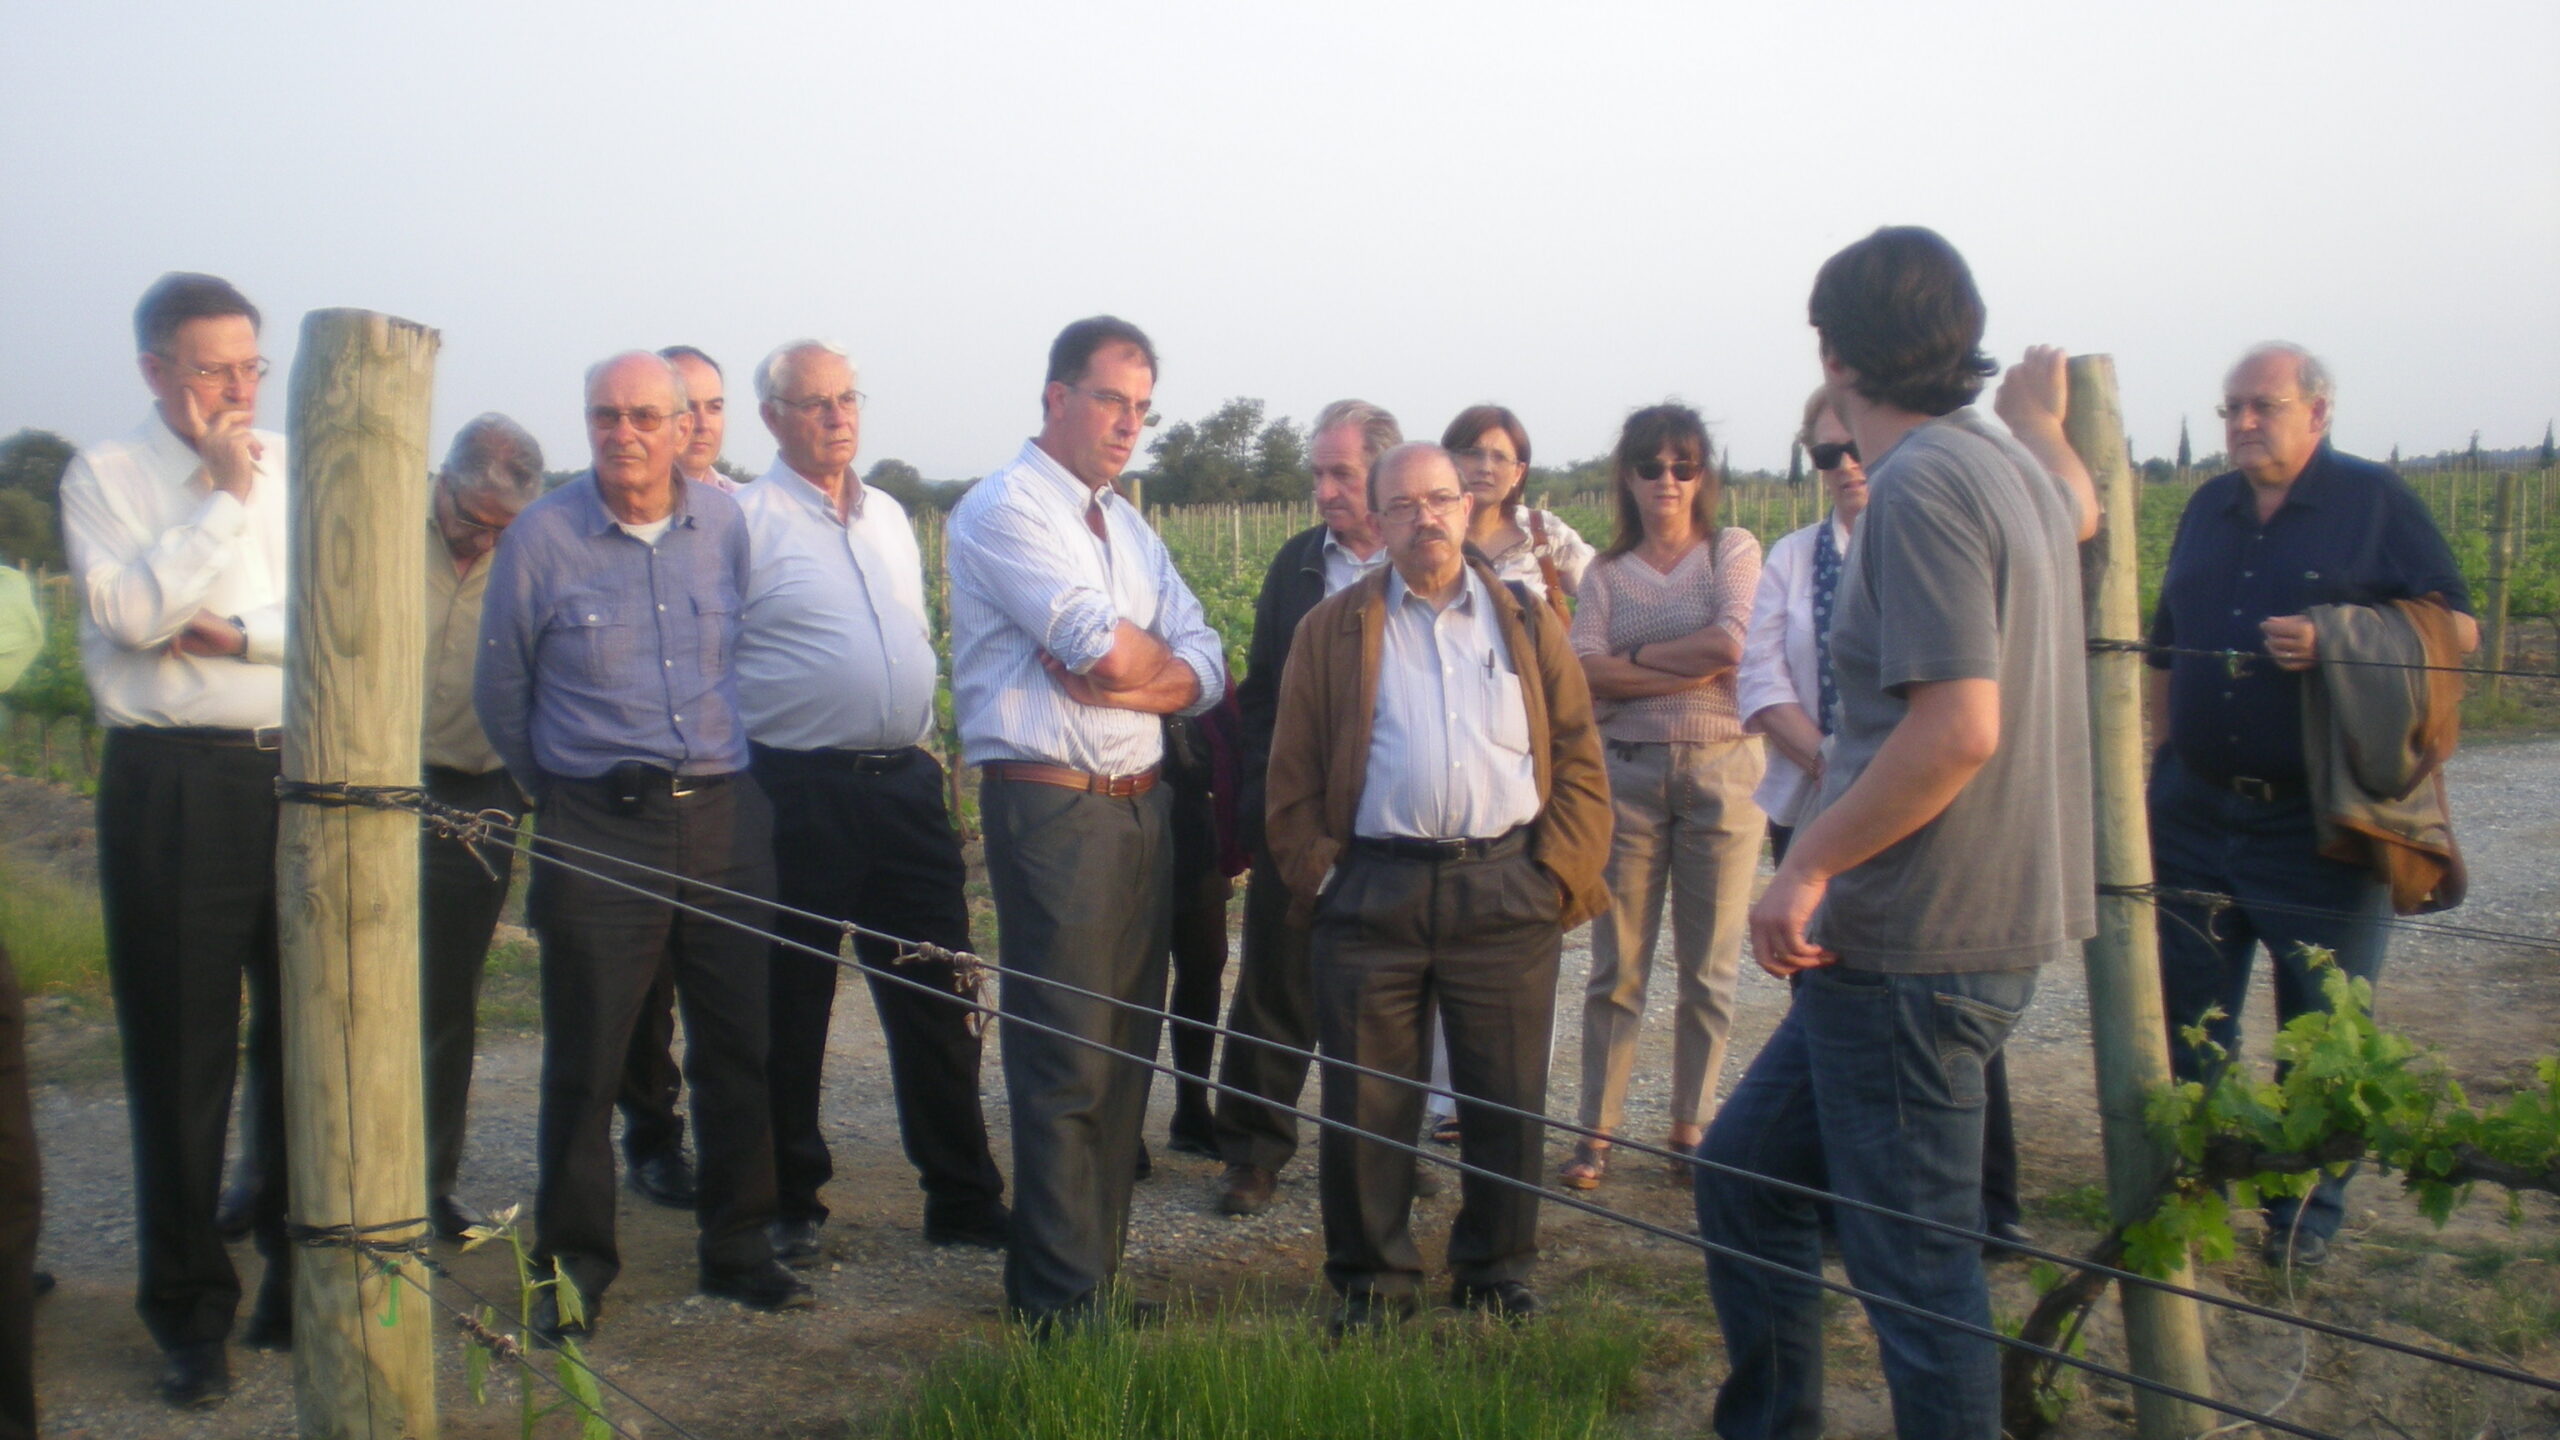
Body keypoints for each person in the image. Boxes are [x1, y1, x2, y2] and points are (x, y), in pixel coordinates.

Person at [1702, 226, 2100, 1440]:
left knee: (1915, 1274)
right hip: (1947, 935)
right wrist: (2042, 418)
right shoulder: (2007, 466)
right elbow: (2080, 505)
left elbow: (1958, 728)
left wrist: (1806, 865)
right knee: (1744, 1180)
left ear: (1832, 353)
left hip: (1909, 944)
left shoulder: (1921, 487)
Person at [475, 351, 808, 1339]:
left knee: (737, 1046)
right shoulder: (539, 539)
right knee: (588, 1059)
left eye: (642, 417)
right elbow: (502, 695)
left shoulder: (727, 528)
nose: (622, 435)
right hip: (596, 822)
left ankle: (739, 1246)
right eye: (604, 416)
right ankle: (570, 1274)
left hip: (720, 815)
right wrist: (565, 798)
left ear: (680, 430)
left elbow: (740, 659)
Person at [1265, 442, 1611, 1331]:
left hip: (1504, 890)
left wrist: (1553, 876)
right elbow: (1292, 778)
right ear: (1375, 522)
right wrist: (1326, 879)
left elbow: (1577, 756)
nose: (1426, 518)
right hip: (1372, 894)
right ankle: (1373, 1284)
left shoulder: (1529, 622)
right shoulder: (1330, 630)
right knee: (1368, 1104)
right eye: (1405, 504)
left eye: (1441, 500)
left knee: (1505, 1098)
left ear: (1466, 508)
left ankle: (1496, 1272)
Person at [2146, 341, 2476, 1269]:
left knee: (2323, 1031)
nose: (2243, 423)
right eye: (2231, 408)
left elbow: (2462, 628)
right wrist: (2161, 760)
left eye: (2264, 406)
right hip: (2198, 812)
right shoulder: (2207, 507)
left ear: (2318, 413)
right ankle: (2198, 1188)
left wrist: (2341, 638)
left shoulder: (2375, 503)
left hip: (2321, 822)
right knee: (2191, 1019)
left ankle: (2299, 1228)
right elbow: (2166, 642)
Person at [944, 316, 1226, 1328]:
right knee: (1066, 1058)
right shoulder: (1005, 508)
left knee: (1123, 1055)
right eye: (1111, 400)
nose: (1127, 425)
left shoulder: (1129, 526)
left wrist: (1146, 685)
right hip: (1054, 808)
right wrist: (1149, 670)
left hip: (1140, 808)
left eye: (1142, 409)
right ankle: (1058, 1302)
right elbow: (1091, 647)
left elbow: (1207, 663)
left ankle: (1092, 1281)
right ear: (1056, 397)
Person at [58, 273, 297, 1407]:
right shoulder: (104, 477)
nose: (239, 389)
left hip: (300, 779)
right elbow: (133, 619)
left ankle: (303, 1276)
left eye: (251, 365)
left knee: (309, 1037)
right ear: (157, 370)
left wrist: (238, 634)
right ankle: (192, 1315)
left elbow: (337, 617)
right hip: (173, 788)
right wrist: (217, 498)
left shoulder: (297, 467)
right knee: (181, 1054)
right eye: (213, 368)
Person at [733, 340, 1008, 1263]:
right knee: (790, 996)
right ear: (771, 417)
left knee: (937, 987)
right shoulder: (745, 521)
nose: (837, 416)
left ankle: (961, 1195)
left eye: (847, 398)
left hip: (903, 783)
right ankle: (786, 1200)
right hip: (793, 788)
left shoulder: (889, 513)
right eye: (814, 403)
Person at [1740, 388, 2031, 1248]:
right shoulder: (1794, 559)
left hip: (1928, 809)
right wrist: (1831, 761)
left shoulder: (1933, 525)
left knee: (1937, 1019)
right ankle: (1846, 1194)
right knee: (1835, 1012)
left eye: (1852, 447)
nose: (1847, 466)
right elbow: (1759, 679)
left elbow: (1956, 714)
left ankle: (1983, 1201)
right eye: (1827, 456)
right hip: (1823, 799)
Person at [1561, 404, 1764, 1190]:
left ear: (1703, 474)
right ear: (1628, 477)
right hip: (1633, 774)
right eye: (1650, 466)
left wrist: (1631, 661)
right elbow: (1584, 669)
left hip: (1723, 768)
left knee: (1709, 966)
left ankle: (1690, 1128)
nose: (1667, 481)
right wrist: (1684, 666)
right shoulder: (1605, 574)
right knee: (1616, 966)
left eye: (1683, 466)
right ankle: (1596, 1134)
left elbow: (1734, 644)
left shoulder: (1733, 551)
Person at [1212, 398, 1396, 1217]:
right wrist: (1261, 804)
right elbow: (1258, 698)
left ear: (1383, 475)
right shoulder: (1296, 567)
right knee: (1275, 989)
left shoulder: (1430, 562)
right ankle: (1252, 1152)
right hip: (1301, 820)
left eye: (1341, 474)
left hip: (1396, 825)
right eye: (1318, 473)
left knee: (1386, 1000)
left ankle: (1385, 1155)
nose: (1324, 490)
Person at [419, 414, 546, 1242]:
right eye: (469, 519)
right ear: (442, 483)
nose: (478, 541)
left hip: (476, 794)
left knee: (444, 997)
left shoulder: (530, 553)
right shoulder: (376, 524)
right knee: (318, 985)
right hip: (360, 786)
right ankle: (281, 1173)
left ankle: (427, 1180)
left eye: (497, 530)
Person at [1450, 404, 1594, 607]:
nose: (1485, 467)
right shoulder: (1428, 532)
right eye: (1473, 454)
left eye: (1499, 457)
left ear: (1518, 472)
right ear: (1447, 460)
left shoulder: (1542, 533)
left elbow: (1605, 594)